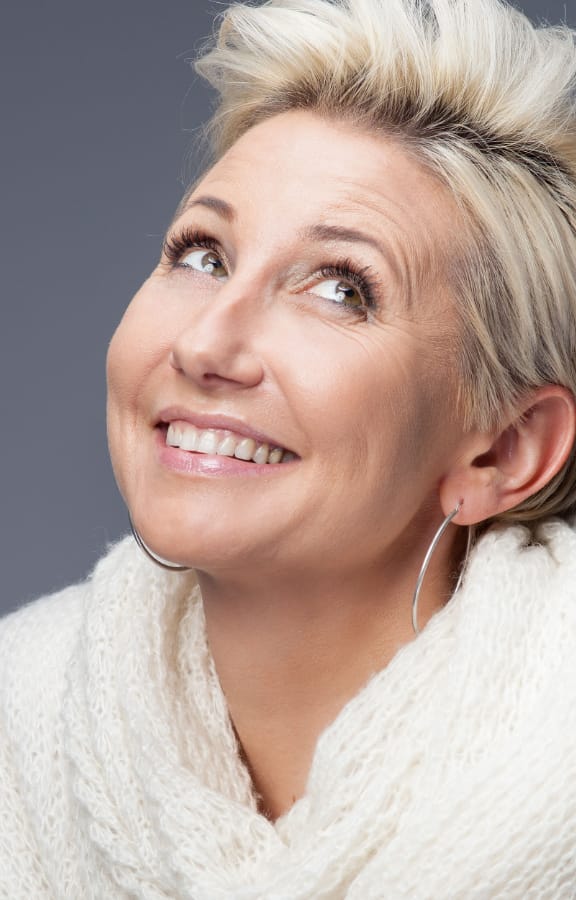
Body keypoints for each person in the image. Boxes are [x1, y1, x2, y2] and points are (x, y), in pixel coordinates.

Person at [2, 0, 576, 895]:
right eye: (202, 255)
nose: (203, 347)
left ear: (503, 451)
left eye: (342, 289)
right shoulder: (17, 717)